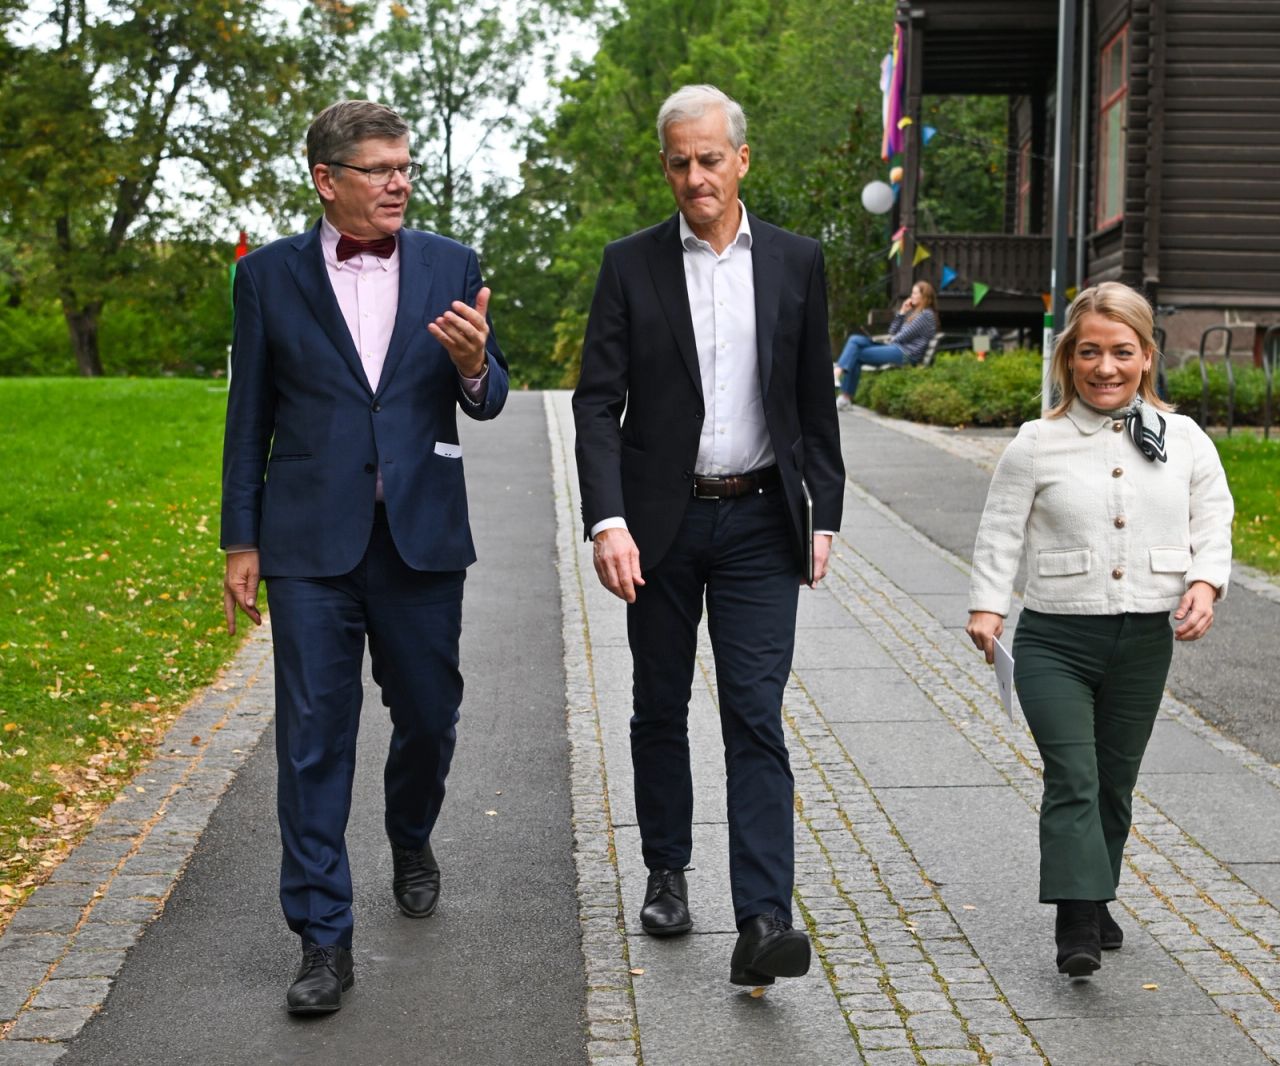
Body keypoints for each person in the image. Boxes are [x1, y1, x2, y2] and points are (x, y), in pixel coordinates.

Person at [220, 100, 509, 1014]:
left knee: (429, 716)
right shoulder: (266, 277)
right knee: (312, 738)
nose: (398, 183)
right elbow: (248, 415)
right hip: (310, 544)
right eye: (379, 169)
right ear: (325, 179)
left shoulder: (452, 264)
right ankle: (322, 939)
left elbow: (490, 394)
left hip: (421, 540)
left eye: (404, 167)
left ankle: (410, 833)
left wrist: (475, 366)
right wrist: (240, 538)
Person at [570, 85, 845, 988]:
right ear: (666, 167)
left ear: (742, 160)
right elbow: (596, 405)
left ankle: (764, 917)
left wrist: (825, 511)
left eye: (711, 159)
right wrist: (608, 520)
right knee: (659, 703)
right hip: (660, 524)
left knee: (754, 712)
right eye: (681, 162)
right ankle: (666, 870)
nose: (697, 177)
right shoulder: (630, 264)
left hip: (762, 520)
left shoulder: (797, 261)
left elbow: (812, 400)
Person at [964, 282, 1232, 978]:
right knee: (1074, 775)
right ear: (1068, 359)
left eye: (1121, 352)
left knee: (1115, 781)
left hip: (1144, 640)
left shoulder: (1184, 439)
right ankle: (1076, 919)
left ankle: (1095, 887)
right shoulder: (1037, 442)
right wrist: (988, 606)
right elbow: (1000, 529)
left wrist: (1205, 583)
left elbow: (1213, 518)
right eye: (1089, 352)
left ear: (1146, 357)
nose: (1105, 368)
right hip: (1055, 639)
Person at [833, 279, 939, 409]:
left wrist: (889, 340)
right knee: (855, 339)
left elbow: (902, 336)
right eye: (912, 293)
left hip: (906, 354)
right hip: (897, 348)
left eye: (915, 293)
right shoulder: (914, 313)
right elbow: (892, 332)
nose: (911, 296)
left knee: (856, 353)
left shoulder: (926, 315)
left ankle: (844, 393)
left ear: (924, 296)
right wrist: (902, 312)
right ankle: (838, 375)